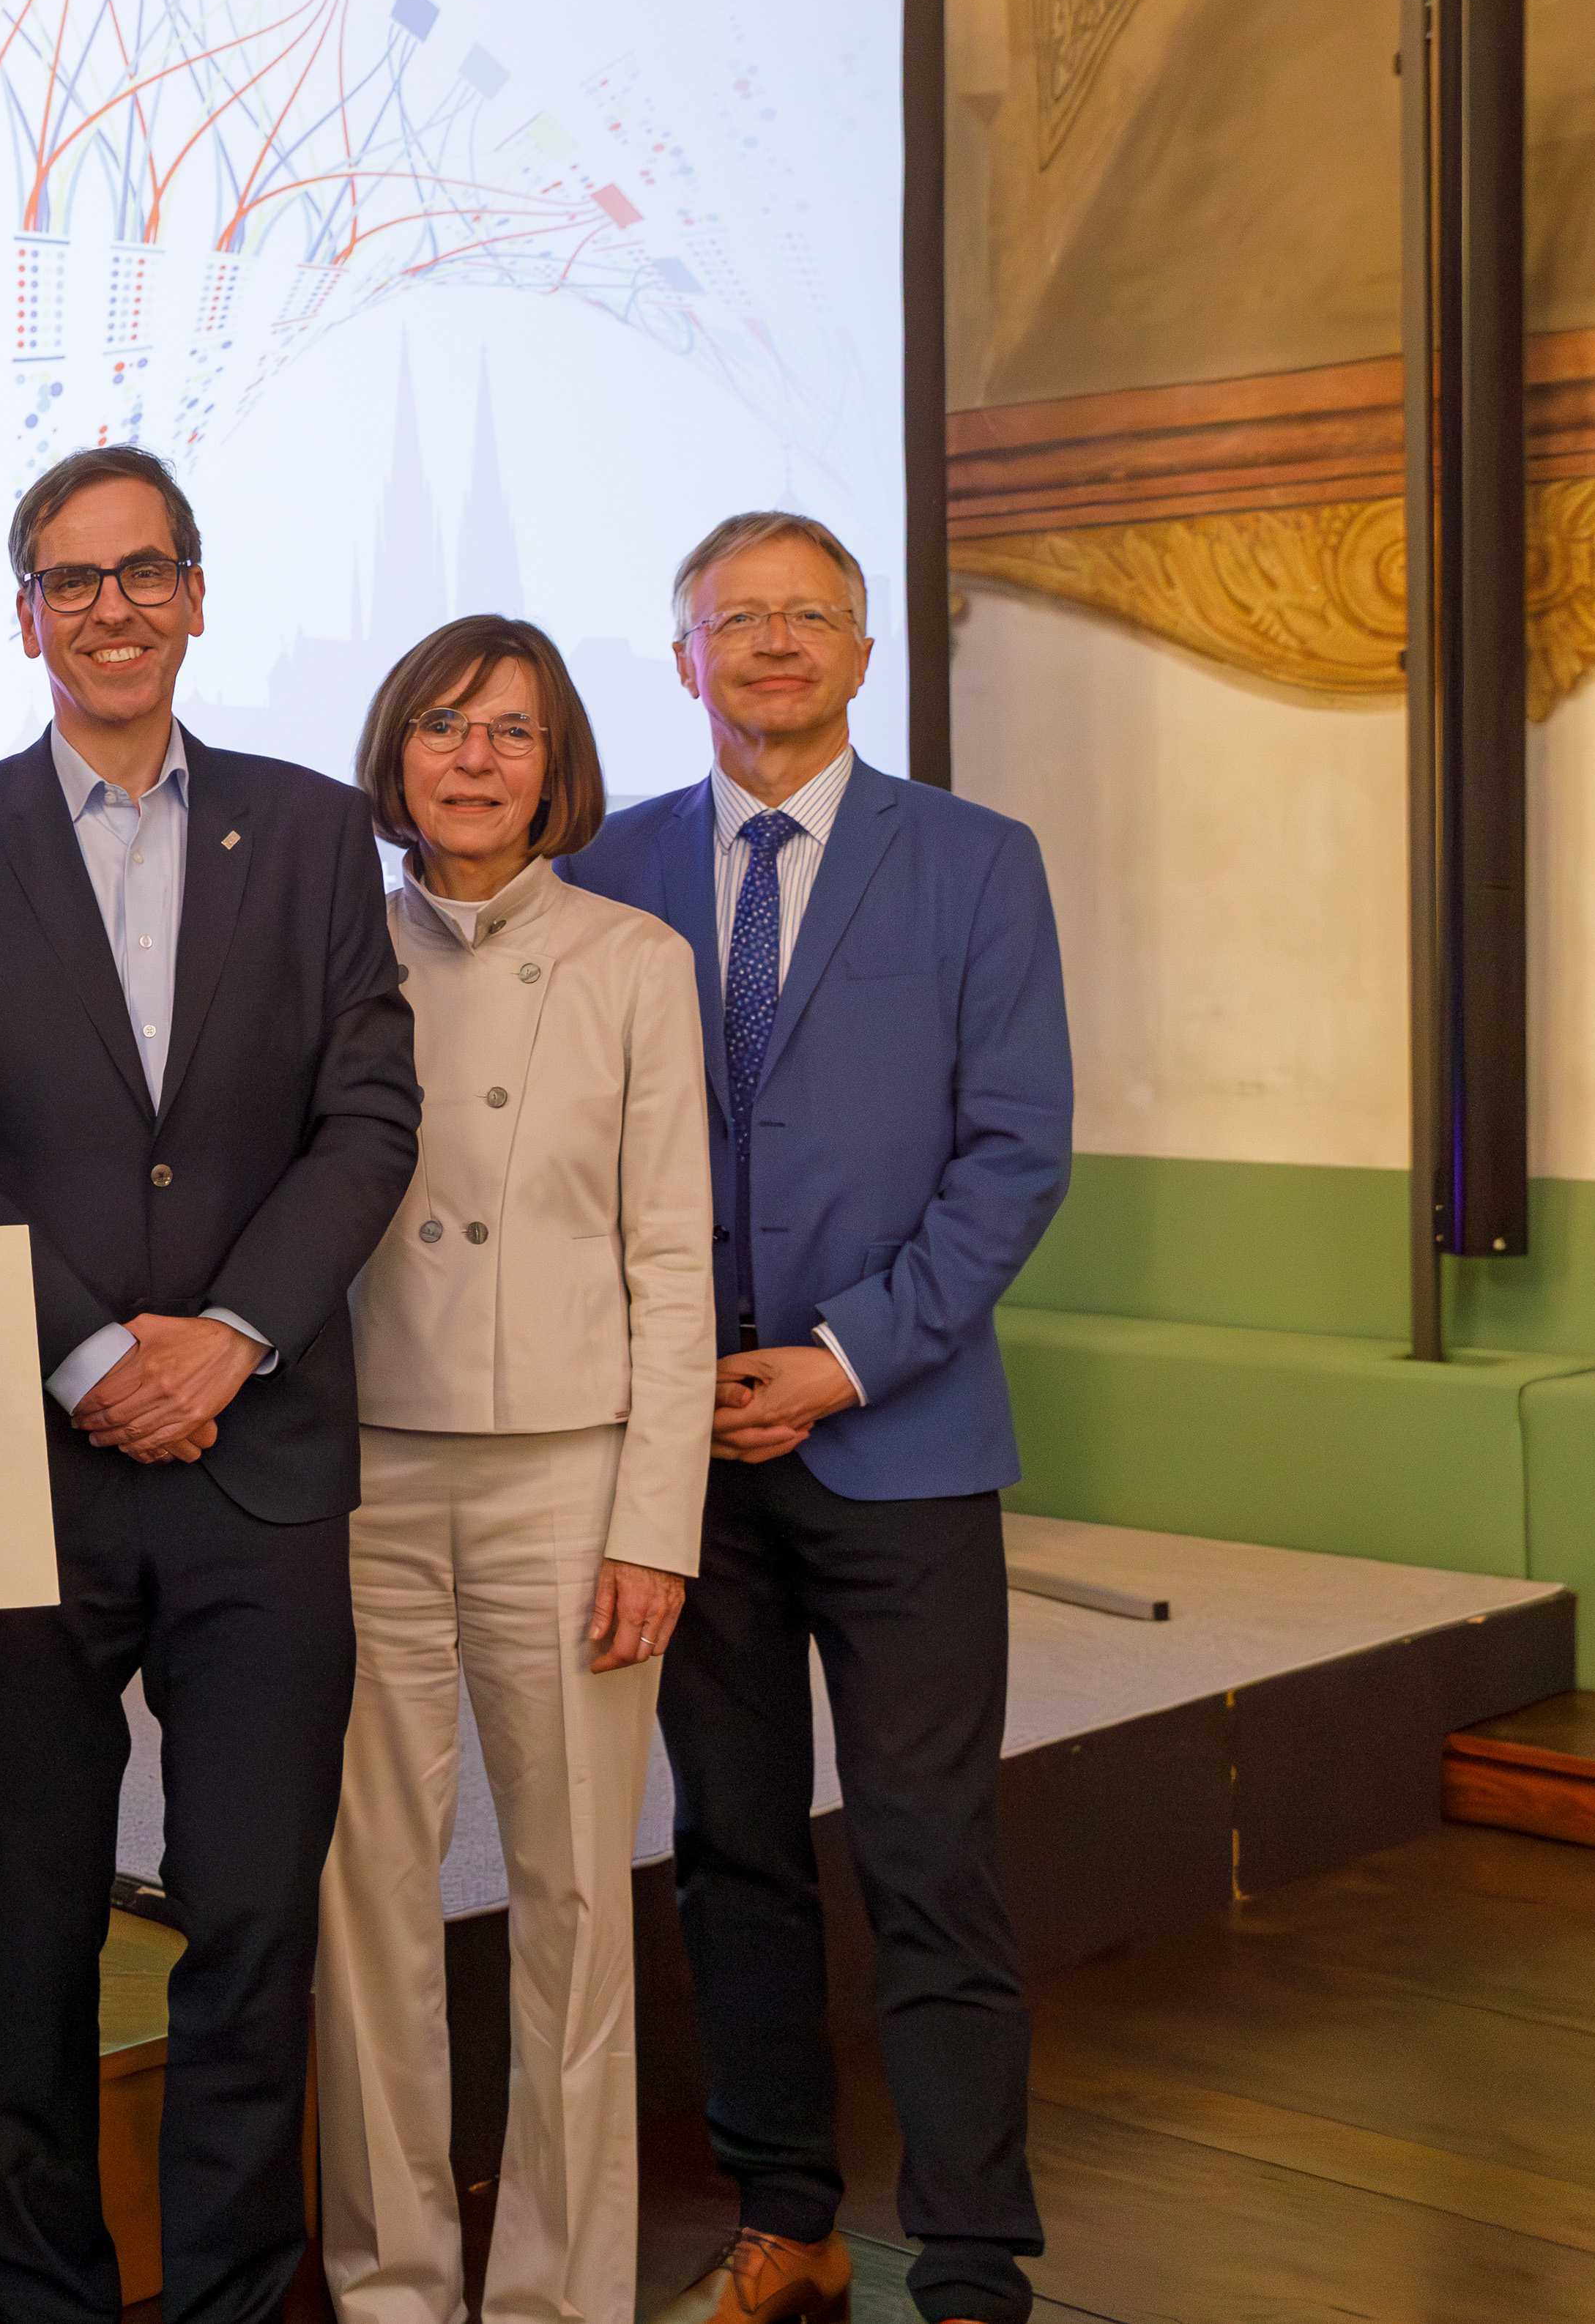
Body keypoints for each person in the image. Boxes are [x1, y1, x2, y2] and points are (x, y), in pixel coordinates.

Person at [0, 444, 420, 2324]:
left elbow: (369, 1117)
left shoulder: (320, 827)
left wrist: (232, 1334)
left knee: (253, 1922)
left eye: (143, 570)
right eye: (70, 578)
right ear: (26, 612)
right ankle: (45, 2300)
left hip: (264, 1463)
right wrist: (95, 1342)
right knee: (25, 1929)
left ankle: (231, 2302)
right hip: (36, 1464)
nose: (110, 606)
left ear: (196, 592)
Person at [566, 511, 1072, 2324]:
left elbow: (1016, 1154)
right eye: (737, 619)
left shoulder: (975, 861)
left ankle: (972, 2255)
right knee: (734, 1847)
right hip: (679, 1450)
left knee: (932, 1853)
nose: (774, 645)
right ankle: (789, 2212)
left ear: (862, 653)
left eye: (811, 617)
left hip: (901, 1434)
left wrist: (847, 1356)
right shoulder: (604, 867)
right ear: (683, 654)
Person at [311, 615, 714, 2324]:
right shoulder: (330, 947)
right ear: (395, 751)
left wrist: (659, 1523)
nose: (477, 758)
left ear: (562, 769)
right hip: (361, 1474)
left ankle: (560, 2293)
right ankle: (394, 2280)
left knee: (571, 1900)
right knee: (371, 1907)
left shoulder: (633, 956)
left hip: (573, 1477)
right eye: (446, 726)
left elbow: (674, 1257)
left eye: (515, 733)